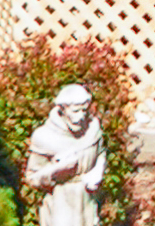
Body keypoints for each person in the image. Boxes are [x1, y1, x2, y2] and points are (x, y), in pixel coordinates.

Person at [24, 83, 106, 226]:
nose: (81, 117)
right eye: (75, 111)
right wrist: (59, 168)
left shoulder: (92, 128)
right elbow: (32, 178)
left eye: (84, 110)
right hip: (60, 205)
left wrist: (97, 171)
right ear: (62, 109)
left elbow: (101, 152)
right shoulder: (44, 136)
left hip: (87, 204)